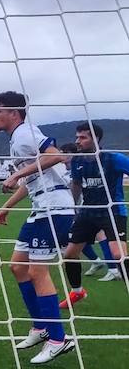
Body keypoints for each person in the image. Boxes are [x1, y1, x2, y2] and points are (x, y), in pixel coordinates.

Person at [0, 92, 76, 365]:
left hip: (55, 208)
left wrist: (16, 173)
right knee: (17, 266)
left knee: (38, 271)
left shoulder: (26, 134)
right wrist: (7, 206)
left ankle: (57, 339)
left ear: (14, 114)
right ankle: (40, 327)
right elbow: (32, 179)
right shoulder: (18, 139)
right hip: (40, 209)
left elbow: (58, 155)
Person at [58, 122, 129, 307]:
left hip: (112, 211)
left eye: (83, 137)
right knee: (69, 254)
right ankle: (77, 292)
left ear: (96, 139)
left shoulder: (114, 159)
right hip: (87, 212)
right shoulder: (78, 160)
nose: (78, 141)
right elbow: (76, 184)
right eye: (77, 137)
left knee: (118, 254)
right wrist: (72, 208)